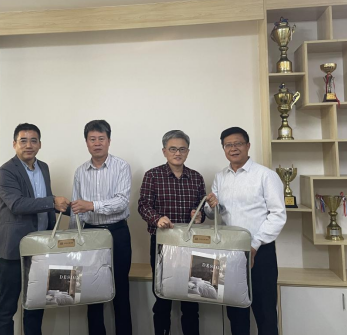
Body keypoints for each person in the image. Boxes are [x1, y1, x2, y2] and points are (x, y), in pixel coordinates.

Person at [205, 127, 286, 336]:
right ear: (224, 149)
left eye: (238, 143)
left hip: (259, 252)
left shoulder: (265, 176)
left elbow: (278, 214)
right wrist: (211, 207)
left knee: (265, 311)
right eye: (228, 145)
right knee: (235, 312)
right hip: (229, 252)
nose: (233, 148)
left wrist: (254, 245)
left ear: (248, 146)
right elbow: (215, 215)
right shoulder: (220, 177)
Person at [0, 123, 70, 335]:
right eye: (23, 141)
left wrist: (74, 209)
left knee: (35, 306)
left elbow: (45, 201)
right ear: (14, 144)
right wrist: (53, 201)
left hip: (42, 249)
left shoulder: (43, 167)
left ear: (40, 144)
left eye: (33, 141)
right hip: (13, 250)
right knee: (6, 308)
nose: (29, 145)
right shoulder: (6, 172)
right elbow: (17, 204)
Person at [138, 130, 206, 335]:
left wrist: (199, 215)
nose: (178, 153)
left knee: (191, 298)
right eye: (173, 149)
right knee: (162, 298)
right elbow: (143, 205)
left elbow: (202, 209)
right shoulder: (152, 175)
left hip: (190, 245)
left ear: (188, 152)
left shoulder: (196, 177)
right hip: (162, 244)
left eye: (182, 149)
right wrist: (157, 219)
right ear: (164, 151)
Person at [70, 120, 133, 335]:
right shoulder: (80, 171)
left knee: (121, 289)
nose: (97, 143)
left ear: (109, 141)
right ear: (86, 142)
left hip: (117, 233)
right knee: (91, 291)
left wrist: (92, 205)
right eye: (92, 139)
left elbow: (122, 202)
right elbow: (76, 208)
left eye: (101, 139)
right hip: (90, 234)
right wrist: (73, 240)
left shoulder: (121, 166)